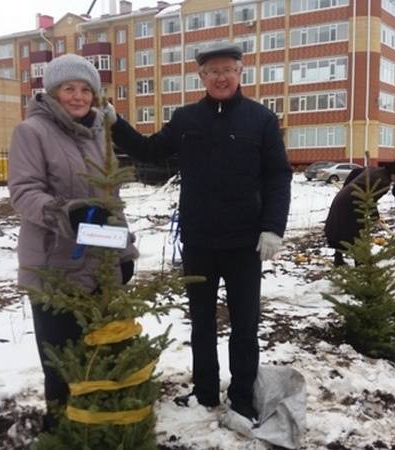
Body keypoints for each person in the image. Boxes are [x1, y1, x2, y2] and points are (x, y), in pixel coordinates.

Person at [105, 42, 292, 420]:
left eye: (228, 70)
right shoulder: (186, 119)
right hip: (199, 242)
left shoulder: (261, 120)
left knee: (244, 325)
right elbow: (150, 150)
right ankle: (205, 392)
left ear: (241, 72)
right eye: (213, 72)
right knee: (202, 323)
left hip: (244, 244)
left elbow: (278, 176)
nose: (221, 77)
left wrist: (272, 228)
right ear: (202, 77)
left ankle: (242, 398)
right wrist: (115, 123)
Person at [7, 54, 138, 430]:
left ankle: (94, 428)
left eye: (85, 90)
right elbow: (23, 193)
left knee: (96, 356)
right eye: (70, 89)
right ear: (53, 92)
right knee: (60, 362)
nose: (78, 97)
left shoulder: (100, 134)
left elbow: (111, 199)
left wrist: (124, 251)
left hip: (99, 268)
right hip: (54, 269)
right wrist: (65, 212)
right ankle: (61, 431)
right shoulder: (31, 132)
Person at [325, 164, 395, 266]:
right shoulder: (384, 181)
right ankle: (360, 264)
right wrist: (375, 216)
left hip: (342, 198)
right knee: (357, 233)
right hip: (352, 204)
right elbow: (371, 199)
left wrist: (346, 187)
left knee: (342, 230)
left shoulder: (375, 170)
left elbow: (355, 172)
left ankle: (338, 259)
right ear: (394, 174)